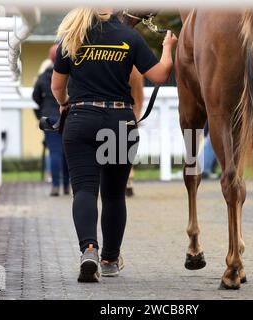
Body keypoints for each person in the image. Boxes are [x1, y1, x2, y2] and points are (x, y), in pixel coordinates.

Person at [51, 8, 177, 282]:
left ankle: (89, 249)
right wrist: (168, 48)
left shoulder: (72, 35)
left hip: (81, 117)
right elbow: (158, 76)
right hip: (119, 121)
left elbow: (57, 86)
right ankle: (109, 259)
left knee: (84, 190)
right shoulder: (128, 36)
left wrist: (64, 105)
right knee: (114, 195)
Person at [33, 45, 71, 197]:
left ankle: (55, 186)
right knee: (67, 153)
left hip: (49, 118)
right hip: (67, 116)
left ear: (50, 58)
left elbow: (35, 97)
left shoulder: (43, 77)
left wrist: (40, 113)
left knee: (54, 152)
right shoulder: (71, 75)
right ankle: (67, 186)